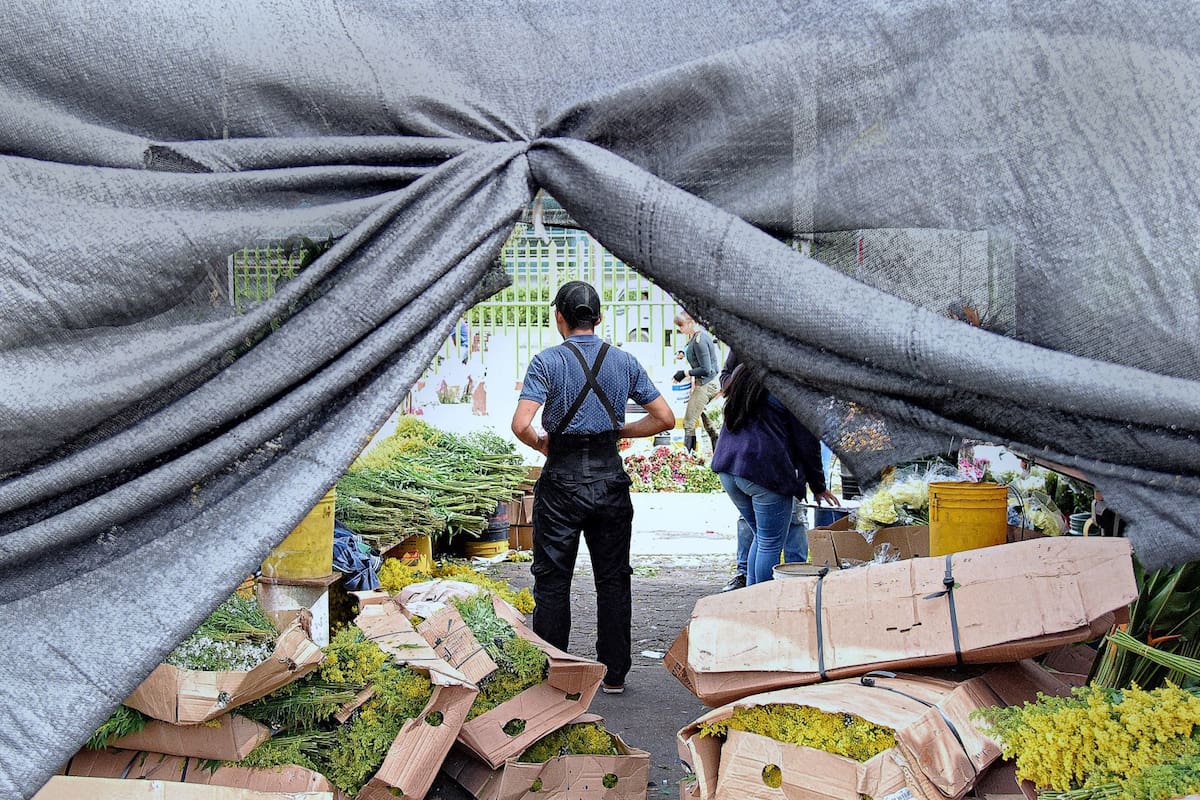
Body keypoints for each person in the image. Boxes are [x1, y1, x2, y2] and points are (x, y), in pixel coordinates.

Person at [511, 281, 675, 694]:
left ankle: (556, 675)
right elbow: (665, 419)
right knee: (614, 578)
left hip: (561, 480)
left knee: (551, 579)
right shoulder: (624, 361)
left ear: (559, 319)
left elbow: (520, 424)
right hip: (609, 480)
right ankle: (615, 674)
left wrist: (542, 444)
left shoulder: (546, 362)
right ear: (599, 318)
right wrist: (622, 429)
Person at [711, 362, 839, 585]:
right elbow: (807, 442)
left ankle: (751, 598)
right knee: (769, 542)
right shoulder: (790, 385)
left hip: (730, 466)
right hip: (764, 471)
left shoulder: (746, 369)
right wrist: (818, 486)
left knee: (761, 538)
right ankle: (762, 600)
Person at [672, 311, 721, 453]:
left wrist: (684, 374)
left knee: (689, 422)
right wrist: (683, 352)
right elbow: (692, 349)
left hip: (706, 384)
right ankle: (718, 456)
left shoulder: (700, 341)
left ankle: (688, 458)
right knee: (709, 423)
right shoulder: (696, 337)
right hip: (706, 383)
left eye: (681, 326)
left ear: (690, 323)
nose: (680, 329)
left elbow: (706, 368)